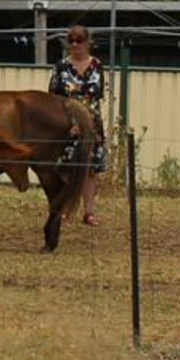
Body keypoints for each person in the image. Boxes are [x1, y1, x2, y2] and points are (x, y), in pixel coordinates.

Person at [47, 24, 106, 225]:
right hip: (66, 123)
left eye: (79, 40)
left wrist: (85, 123)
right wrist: (71, 123)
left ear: (88, 42)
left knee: (90, 169)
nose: (74, 44)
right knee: (67, 168)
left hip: (91, 124)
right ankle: (65, 209)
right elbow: (53, 98)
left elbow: (96, 97)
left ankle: (89, 213)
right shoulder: (61, 66)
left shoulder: (97, 65)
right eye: (71, 40)